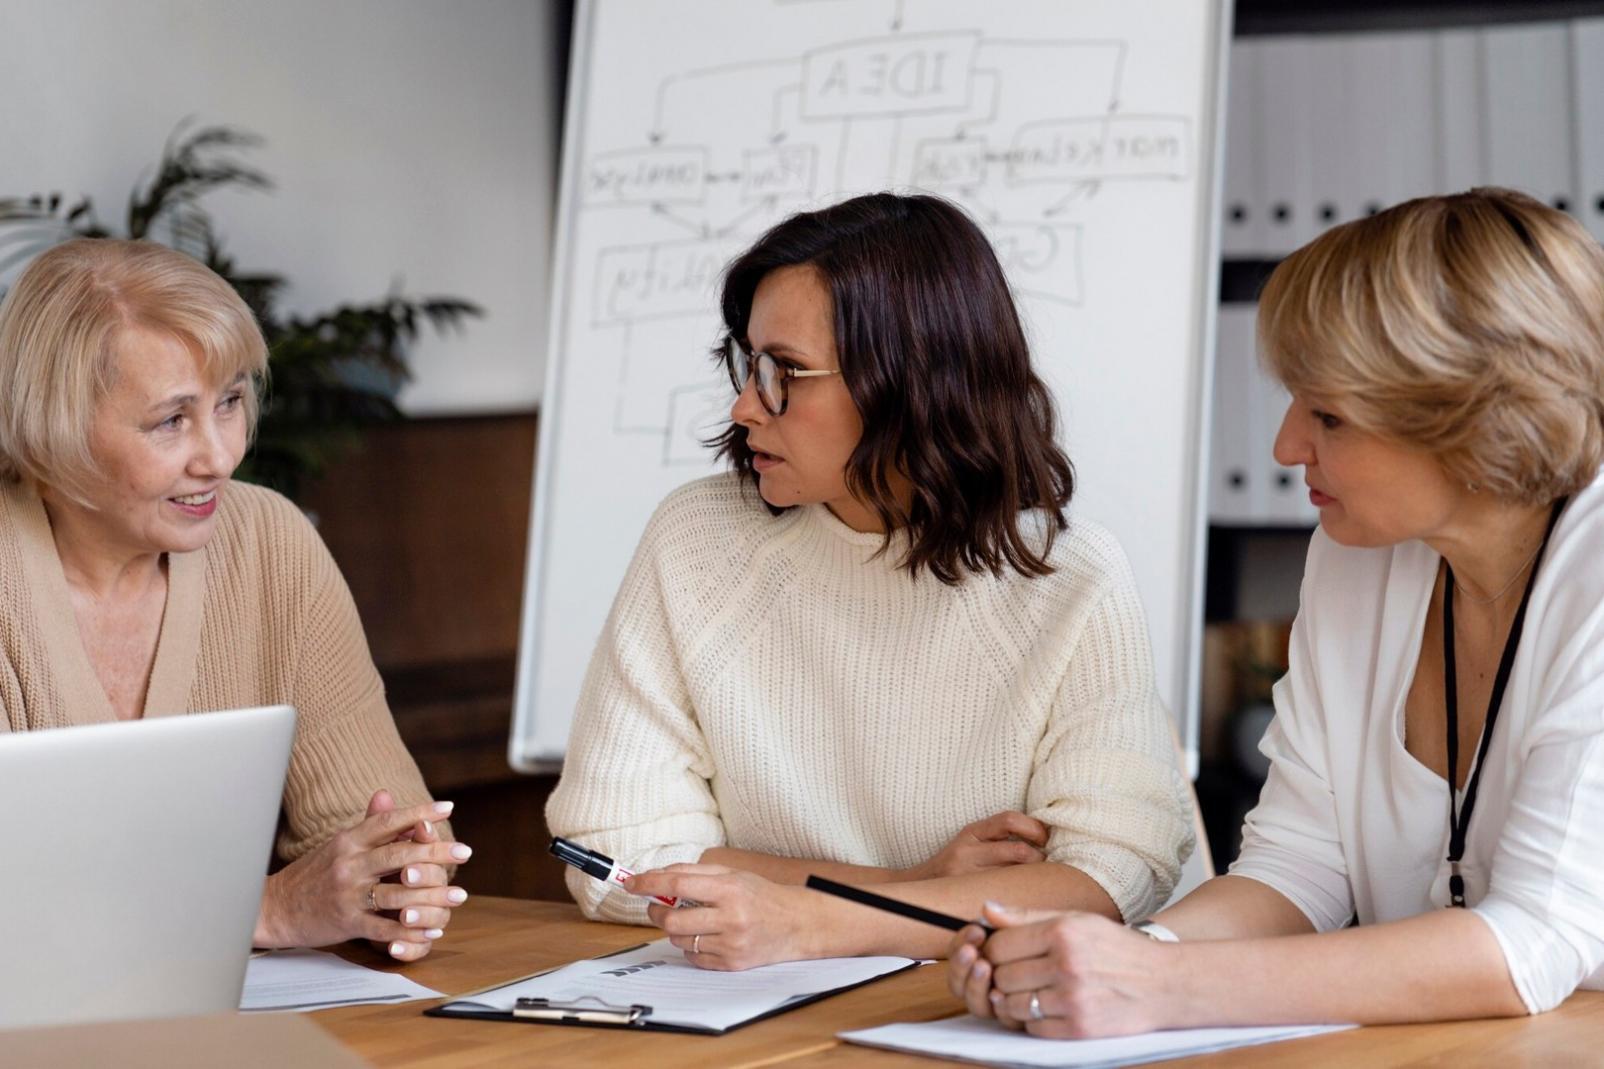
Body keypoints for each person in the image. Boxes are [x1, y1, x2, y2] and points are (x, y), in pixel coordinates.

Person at [948, 187, 1604, 1035]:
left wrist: (1155, 987)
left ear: (1477, 421)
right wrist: (1114, 955)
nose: (1286, 446)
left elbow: (1539, 938)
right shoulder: (1356, 549)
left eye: (1328, 414)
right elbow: (1299, 869)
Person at [546, 192, 1195, 970]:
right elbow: (616, 858)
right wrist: (905, 886)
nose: (745, 405)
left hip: (989, 1021)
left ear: (911, 382)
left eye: (785, 371)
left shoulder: (1069, 579)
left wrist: (806, 917)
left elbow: (1106, 879)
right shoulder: (696, 539)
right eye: (746, 362)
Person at [0, 239, 470, 961]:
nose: (219, 456)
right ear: (55, 431)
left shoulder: (269, 542)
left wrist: (395, 880)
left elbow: (380, 824)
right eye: (170, 420)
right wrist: (267, 910)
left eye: (229, 403)